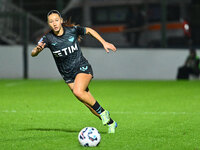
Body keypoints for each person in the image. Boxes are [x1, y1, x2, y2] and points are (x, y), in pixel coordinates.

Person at [31, 10, 117, 133]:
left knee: (78, 91)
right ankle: (111, 123)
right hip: (67, 75)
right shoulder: (48, 38)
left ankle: (104, 113)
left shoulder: (72, 30)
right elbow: (33, 53)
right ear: (48, 24)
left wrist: (104, 42)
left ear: (61, 20)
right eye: (51, 21)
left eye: (56, 20)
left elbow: (90, 30)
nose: (54, 23)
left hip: (82, 67)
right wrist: (37, 50)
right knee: (88, 103)